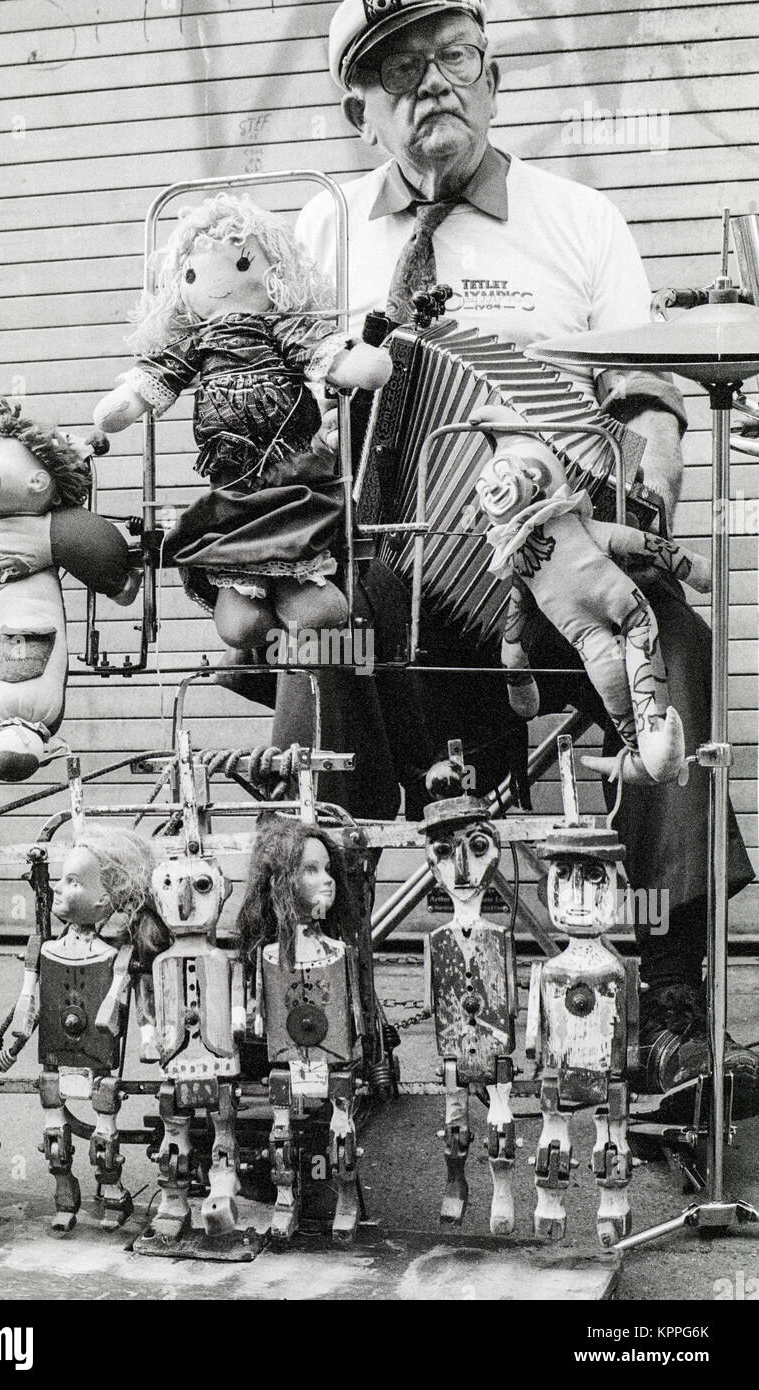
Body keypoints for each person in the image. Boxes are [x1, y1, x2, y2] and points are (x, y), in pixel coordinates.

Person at [270, 0, 757, 1116]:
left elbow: (645, 395)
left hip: (546, 586)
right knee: (317, 625)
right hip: (388, 582)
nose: (432, 83)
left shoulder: (578, 220)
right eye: (399, 69)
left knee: (669, 637)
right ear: (361, 110)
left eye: (451, 56)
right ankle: (321, 1004)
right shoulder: (325, 227)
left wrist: (650, 476)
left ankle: (673, 1015)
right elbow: (285, 428)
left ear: (490, 76)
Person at [93, 193, 390, 660]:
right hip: (230, 483)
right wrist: (128, 402)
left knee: (317, 611)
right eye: (191, 275)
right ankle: (248, 594)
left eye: (241, 263)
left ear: (275, 272)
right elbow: (159, 377)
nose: (215, 285)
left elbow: (325, 356)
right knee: (241, 622)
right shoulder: (197, 341)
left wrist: (356, 364)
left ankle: (296, 594)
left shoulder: (281, 330)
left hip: (294, 473)